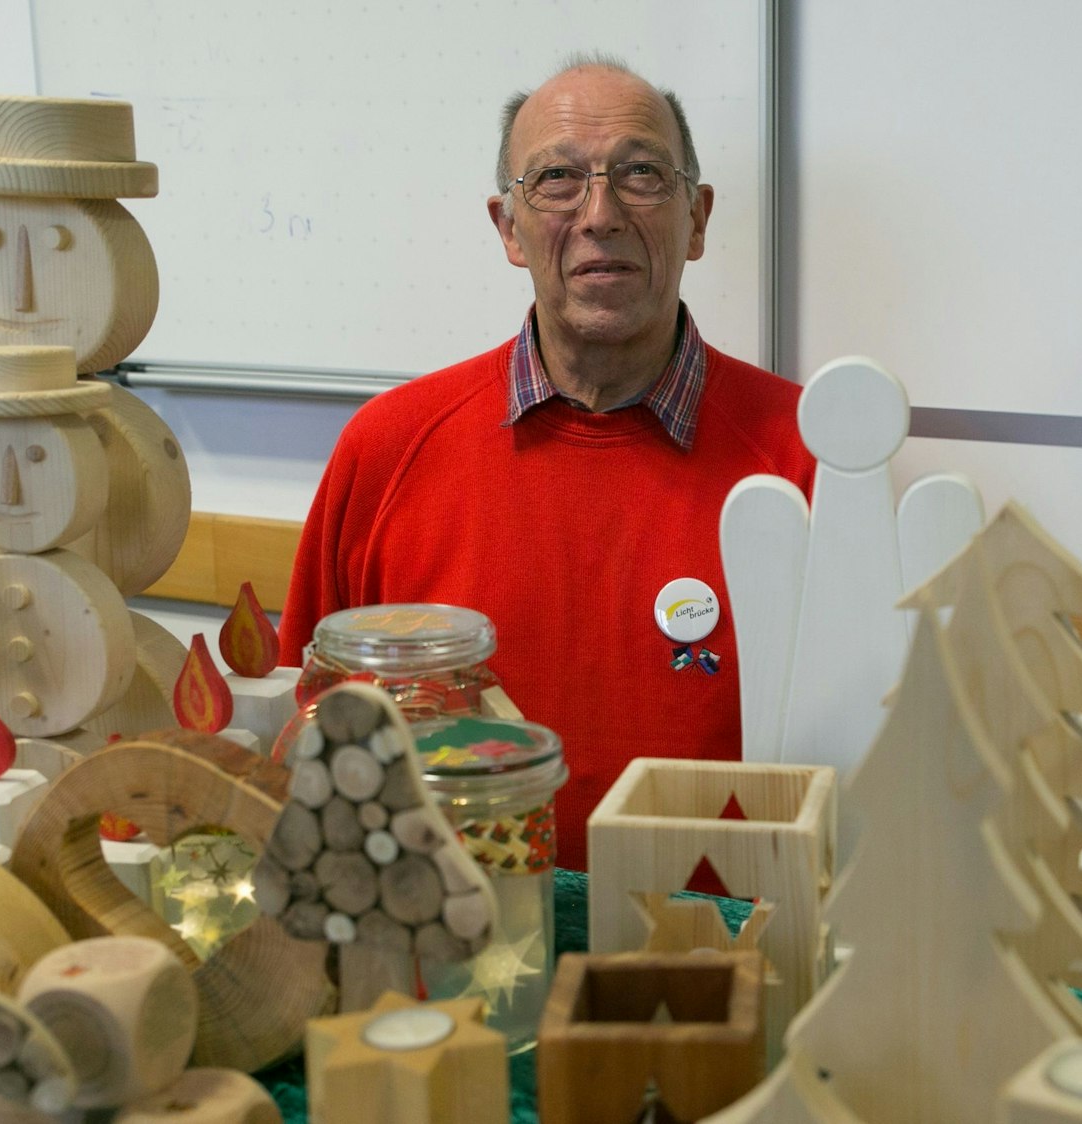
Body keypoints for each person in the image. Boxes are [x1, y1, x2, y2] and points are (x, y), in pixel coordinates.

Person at [282, 56, 815, 869]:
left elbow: (860, 767)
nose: (600, 214)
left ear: (697, 219)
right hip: (452, 927)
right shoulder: (387, 447)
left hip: (725, 934)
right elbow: (303, 725)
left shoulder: (803, 462)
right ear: (507, 227)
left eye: (641, 174)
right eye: (557, 179)